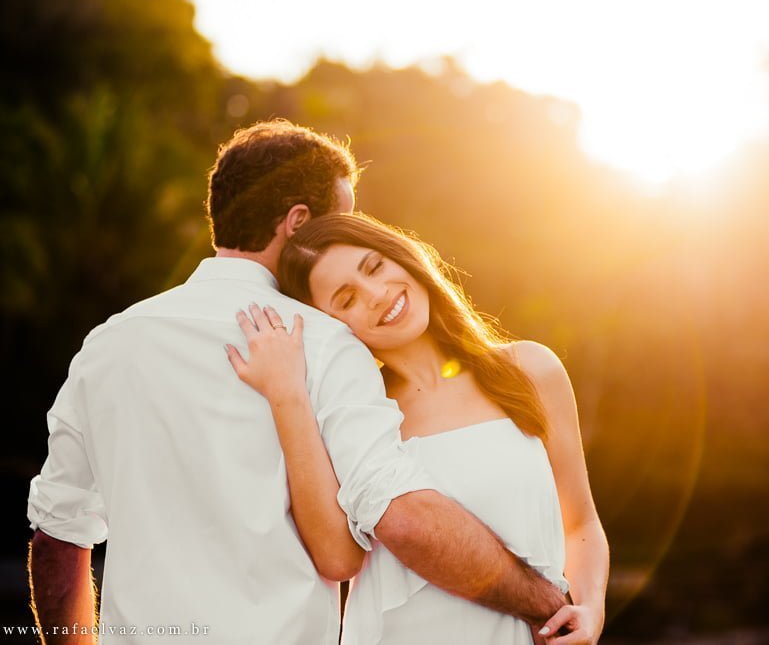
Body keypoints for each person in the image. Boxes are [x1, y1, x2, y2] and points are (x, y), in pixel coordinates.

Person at [26, 120, 566, 644]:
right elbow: (388, 521)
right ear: (298, 221)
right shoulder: (325, 342)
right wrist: (549, 604)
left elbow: (58, 536)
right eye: (340, 221)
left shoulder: (108, 344)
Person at [226, 213, 610, 645]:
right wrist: (287, 395)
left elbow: (580, 522)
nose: (375, 295)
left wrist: (590, 609)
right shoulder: (358, 415)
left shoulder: (530, 369)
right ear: (333, 326)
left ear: (402, 258)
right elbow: (335, 557)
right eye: (346, 298)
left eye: (374, 268)